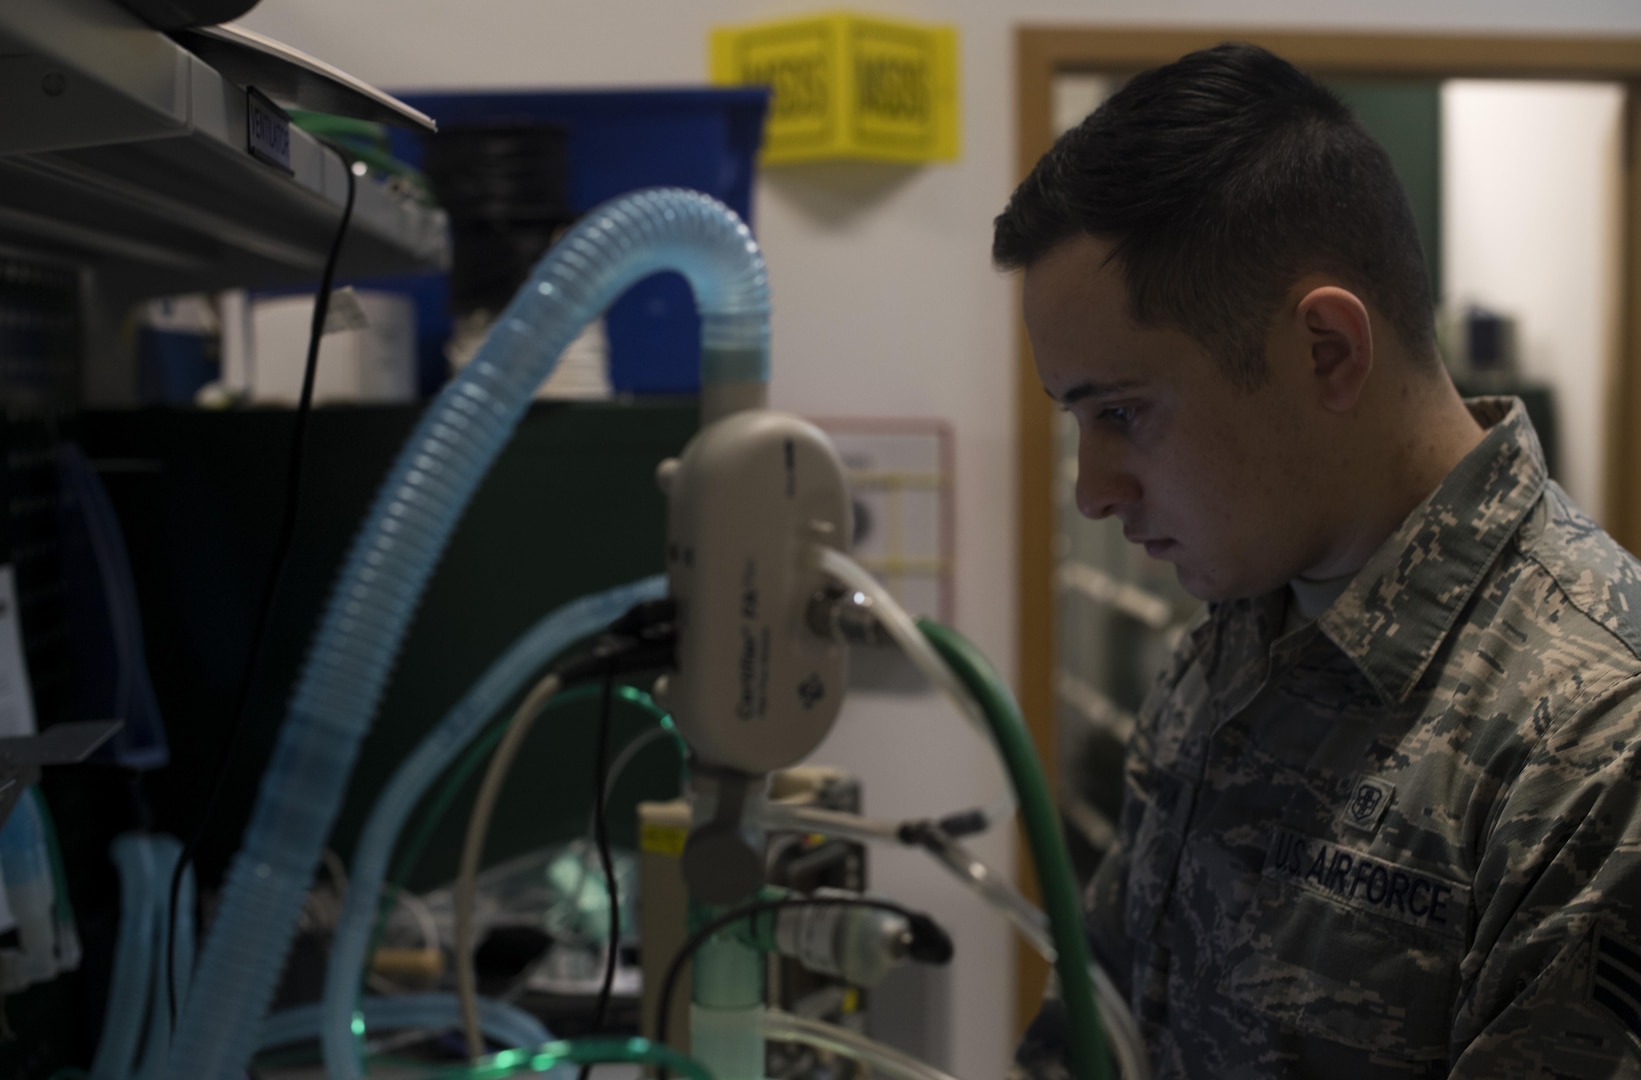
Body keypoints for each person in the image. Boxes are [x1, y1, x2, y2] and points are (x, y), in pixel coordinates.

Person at [993, 41, 1641, 1079]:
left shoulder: (1595, 744)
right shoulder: (1239, 633)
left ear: (1327, 351)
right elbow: (1097, 1029)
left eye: (1123, 413)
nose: (1092, 491)